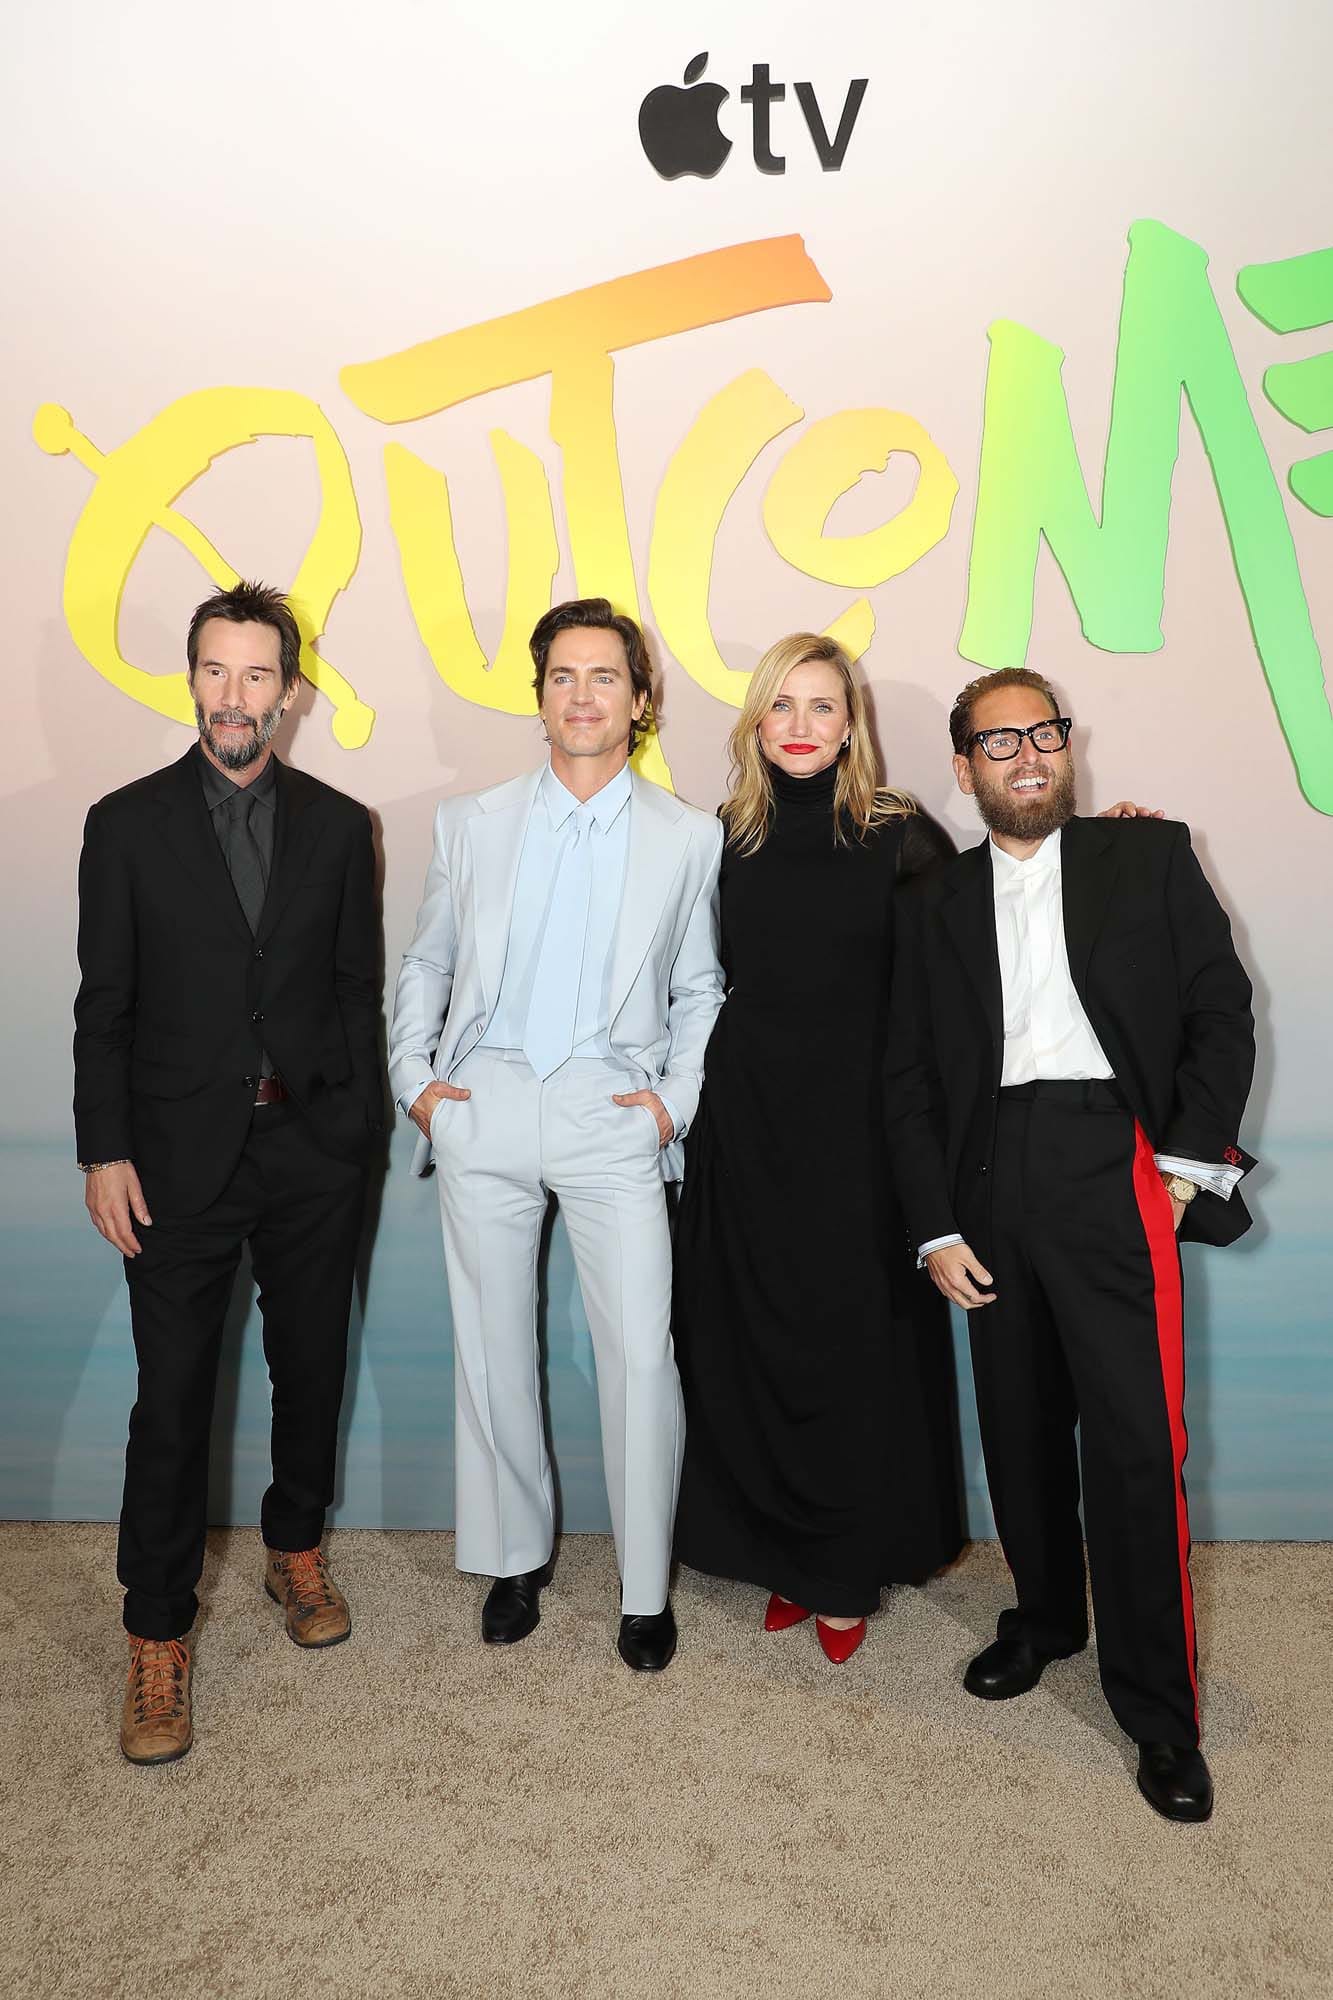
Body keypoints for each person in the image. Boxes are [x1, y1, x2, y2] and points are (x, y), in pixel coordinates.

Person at [885, 667, 1255, 1822]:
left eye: (1043, 731)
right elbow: (906, 1073)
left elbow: (1219, 1008)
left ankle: (1159, 1711)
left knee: (1137, 1446)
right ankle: (1044, 1617)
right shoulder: (931, 899)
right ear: (964, 769)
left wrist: (1185, 1166)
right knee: (1020, 1422)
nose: (1028, 754)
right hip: (986, 1175)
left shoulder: (1146, 853)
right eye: (998, 742)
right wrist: (933, 1223)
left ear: (1066, 744)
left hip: (1115, 1159)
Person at [74, 580, 382, 1765]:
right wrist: (105, 1148)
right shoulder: (125, 823)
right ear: (192, 678)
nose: (234, 695)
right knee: (171, 1399)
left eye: (258, 674)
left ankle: (293, 1546)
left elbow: (353, 988)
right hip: (171, 1158)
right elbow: (104, 1005)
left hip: (310, 1150)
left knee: (311, 1367)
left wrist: (354, 1132)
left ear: (289, 692)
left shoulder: (339, 824)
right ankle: (155, 1630)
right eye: (216, 670)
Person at [388, 598, 723, 1672]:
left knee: (639, 1354)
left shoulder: (689, 835)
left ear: (639, 698)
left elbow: (700, 985)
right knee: (491, 1346)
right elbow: (429, 958)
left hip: (610, 1107)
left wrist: (673, 1100)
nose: (582, 695)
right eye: (562, 676)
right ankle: (513, 1556)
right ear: (539, 697)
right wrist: (416, 1083)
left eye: (604, 676)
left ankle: (643, 1587)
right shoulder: (470, 821)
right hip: (483, 1097)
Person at [671, 633, 967, 1664]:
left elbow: (971, 962)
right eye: (782, 704)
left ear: (851, 725)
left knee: (852, 1347)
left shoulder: (901, 834)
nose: (800, 724)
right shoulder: (717, 836)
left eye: (822, 706)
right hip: (744, 1125)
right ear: (756, 720)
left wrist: (1106, 843)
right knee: (751, 1339)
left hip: (863, 1134)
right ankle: (783, 1555)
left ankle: (844, 1567)